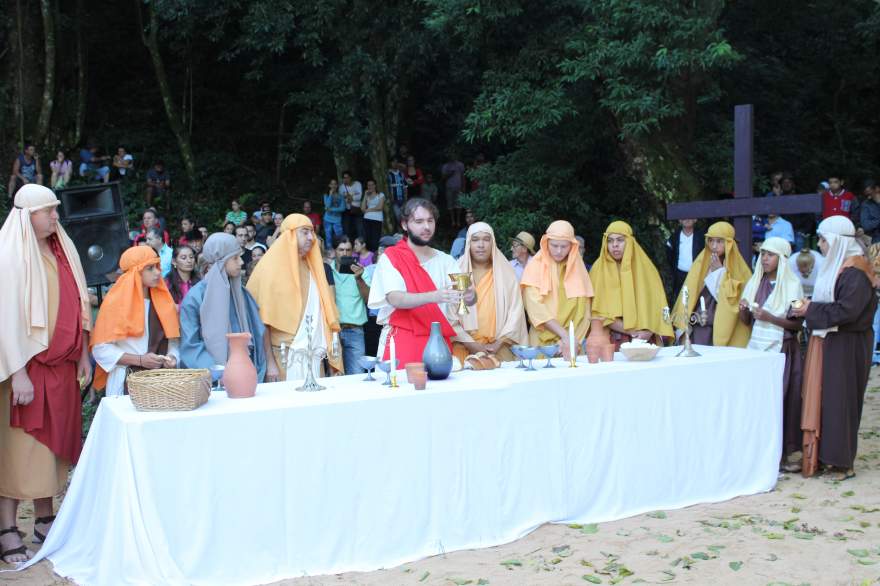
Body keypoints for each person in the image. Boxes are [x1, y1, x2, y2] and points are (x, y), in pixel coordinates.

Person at [0, 184, 92, 562]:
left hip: (63, 366)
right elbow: (4, 320)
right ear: (27, 216)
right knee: (19, 452)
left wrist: (83, 354)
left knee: (54, 451)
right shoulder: (8, 255)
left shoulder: (62, 250)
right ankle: (7, 528)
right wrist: (17, 372)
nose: (56, 216)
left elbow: (79, 303)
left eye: (55, 209)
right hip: (26, 368)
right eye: (48, 210)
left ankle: (44, 520)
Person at [791, 216, 879, 480]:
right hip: (829, 342)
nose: (820, 245)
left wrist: (810, 310)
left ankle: (841, 463)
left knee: (840, 400)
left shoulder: (856, 272)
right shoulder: (838, 268)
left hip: (848, 344)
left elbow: (848, 311)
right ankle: (821, 456)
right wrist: (809, 308)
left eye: (824, 240)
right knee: (823, 398)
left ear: (839, 242)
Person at [367, 198, 473, 364]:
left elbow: (468, 298)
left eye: (430, 221)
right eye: (419, 221)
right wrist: (435, 296)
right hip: (402, 338)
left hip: (438, 340)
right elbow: (395, 298)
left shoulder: (446, 260)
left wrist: (470, 295)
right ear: (404, 224)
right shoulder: (391, 257)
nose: (426, 227)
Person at [247, 214, 342, 379]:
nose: (311, 238)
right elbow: (262, 323)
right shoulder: (269, 269)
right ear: (289, 235)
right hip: (283, 358)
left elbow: (324, 314)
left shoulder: (313, 267)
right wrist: (270, 364)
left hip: (314, 354)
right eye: (305, 232)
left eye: (311, 232)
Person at [739, 238, 805, 471]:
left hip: (783, 350)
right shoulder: (756, 282)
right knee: (760, 401)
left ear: (782, 259)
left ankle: (787, 452)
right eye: (763, 254)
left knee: (785, 399)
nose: (764, 259)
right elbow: (747, 322)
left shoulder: (794, 285)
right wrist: (744, 311)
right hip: (758, 350)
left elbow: (797, 325)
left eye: (770, 255)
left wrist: (770, 318)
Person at [180, 233, 278, 382]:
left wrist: (266, 365)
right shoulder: (195, 298)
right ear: (221, 260)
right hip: (211, 383)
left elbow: (258, 332)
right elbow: (191, 346)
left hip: (248, 374)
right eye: (235, 258)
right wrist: (221, 374)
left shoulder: (242, 294)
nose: (241, 262)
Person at [91, 246, 180, 397]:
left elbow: (173, 343)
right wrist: (139, 360)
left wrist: (172, 357)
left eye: (157, 267)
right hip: (125, 379)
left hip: (162, 382)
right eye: (150, 268)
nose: (158, 272)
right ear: (135, 273)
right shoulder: (115, 304)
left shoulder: (164, 302)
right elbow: (100, 349)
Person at [589, 221, 673, 349]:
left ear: (630, 241)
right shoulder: (598, 269)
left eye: (620, 240)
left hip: (646, 339)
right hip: (612, 340)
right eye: (610, 241)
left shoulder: (646, 268)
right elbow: (600, 314)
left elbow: (657, 306)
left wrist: (649, 331)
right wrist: (633, 332)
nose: (615, 245)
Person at [452, 223, 528, 363]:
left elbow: (515, 312)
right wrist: (471, 344)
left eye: (486, 239)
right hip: (464, 347)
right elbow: (450, 315)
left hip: (499, 347)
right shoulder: (458, 271)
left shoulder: (505, 272)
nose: (481, 245)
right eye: (475, 240)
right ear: (468, 242)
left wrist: (498, 343)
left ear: (493, 242)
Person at [521, 220, 594, 361]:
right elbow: (535, 309)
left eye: (564, 246)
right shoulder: (534, 266)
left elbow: (585, 312)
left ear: (572, 246)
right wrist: (564, 335)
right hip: (542, 341)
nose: (559, 251)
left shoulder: (579, 269)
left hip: (573, 343)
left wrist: (571, 339)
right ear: (546, 243)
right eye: (554, 245)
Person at [672, 221, 752, 347]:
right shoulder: (701, 261)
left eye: (719, 241)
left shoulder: (740, 269)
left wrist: (719, 272)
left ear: (729, 243)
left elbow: (732, 300)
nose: (714, 246)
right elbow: (690, 290)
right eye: (711, 241)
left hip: (724, 324)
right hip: (700, 323)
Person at [330, 236, 370, 374]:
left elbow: (368, 299)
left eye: (348, 250)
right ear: (334, 251)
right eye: (341, 250)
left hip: (355, 330)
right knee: (335, 377)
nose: (345, 253)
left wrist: (358, 278)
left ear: (353, 252)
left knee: (357, 376)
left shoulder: (361, 271)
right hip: (333, 331)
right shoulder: (326, 271)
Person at [363, 235, 399, 356]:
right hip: (373, 320)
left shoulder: (398, 270)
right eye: (388, 249)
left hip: (392, 320)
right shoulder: (369, 270)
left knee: (390, 354)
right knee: (372, 354)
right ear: (380, 251)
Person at [666, 219, 704, 298]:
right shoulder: (674, 237)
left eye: (690, 217)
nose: (687, 219)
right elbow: (669, 254)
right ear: (679, 220)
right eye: (683, 217)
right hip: (679, 274)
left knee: (696, 298)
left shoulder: (701, 237)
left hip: (696, 274)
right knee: (680, 298)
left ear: (695, 219)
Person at [441, 153, 466, 228]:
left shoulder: (460, 165)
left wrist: (463, 187)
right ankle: (453, 221)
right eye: (450, 155)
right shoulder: (445, 166)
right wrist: (449, 174)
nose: (452, 156)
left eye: (453, 154)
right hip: (449, 188)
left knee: (459, 204)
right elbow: (443, 178)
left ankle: (458, 221)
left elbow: (463, 176)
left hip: (459, 187)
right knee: (450, 204)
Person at [361, 179, 385, 253]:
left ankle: (374, 253)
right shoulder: (367, 196)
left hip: (377, 219)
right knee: (367, 237)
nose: (370, 186)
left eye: (372, 185)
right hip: (367, 219)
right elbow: (362, 208)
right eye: (368, 185)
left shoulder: (381, 195)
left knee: (375, 238)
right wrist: (365, 195)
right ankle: (368, 254)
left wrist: (368, 210)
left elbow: (380, 207)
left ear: (375, 185)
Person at [340, 171, 364, 240]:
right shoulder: (341, 187)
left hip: (357, 209)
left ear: (350, 178)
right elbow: (342, 199)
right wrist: (353, 196)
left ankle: (360, 245)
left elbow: (359, 197)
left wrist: (350, 197)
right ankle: (348, 245)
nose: (345, 179)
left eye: (347, 177)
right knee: (347, 229)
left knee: (359, 229)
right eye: (344, 178)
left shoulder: (357, 184)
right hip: (346, 210)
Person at [323, 178, 346, 249]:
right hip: (327, 219)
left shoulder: (341, 196)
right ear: (329, 185)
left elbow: (342, 208)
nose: (333, 185)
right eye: (332, 184)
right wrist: (330, 195)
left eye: (335, 184)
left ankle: (341, 249)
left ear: (337, 185)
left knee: (339, 235)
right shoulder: (326, 195)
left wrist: (330, 209)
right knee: (328, 236)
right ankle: (329, 251)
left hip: (337, 219)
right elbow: (327, 206)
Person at [387, 159, 408, 225]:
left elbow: (405, 187)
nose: (394, 164)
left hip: (402, 199)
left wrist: (406, 198)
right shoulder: (388, 174)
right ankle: (399, 231)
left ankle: (403, 232)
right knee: (397, 217)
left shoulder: (401, 174)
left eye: (396, 162)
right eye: (393, 162)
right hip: (394, 200)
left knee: (403, 216)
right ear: (390, 163)